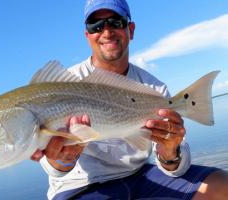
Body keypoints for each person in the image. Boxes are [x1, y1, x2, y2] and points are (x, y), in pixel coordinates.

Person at [31, 0, 228, 199]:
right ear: (87, 35)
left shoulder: (154, 89)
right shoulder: (65, 85)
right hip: (81, 186)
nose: (106, 32)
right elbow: (52, 167)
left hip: (140, 175)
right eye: (96, 25)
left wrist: (170, 152)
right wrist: (61, 159)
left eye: (115, 21)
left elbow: (173, 168)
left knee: (223, 185)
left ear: (130, 29)